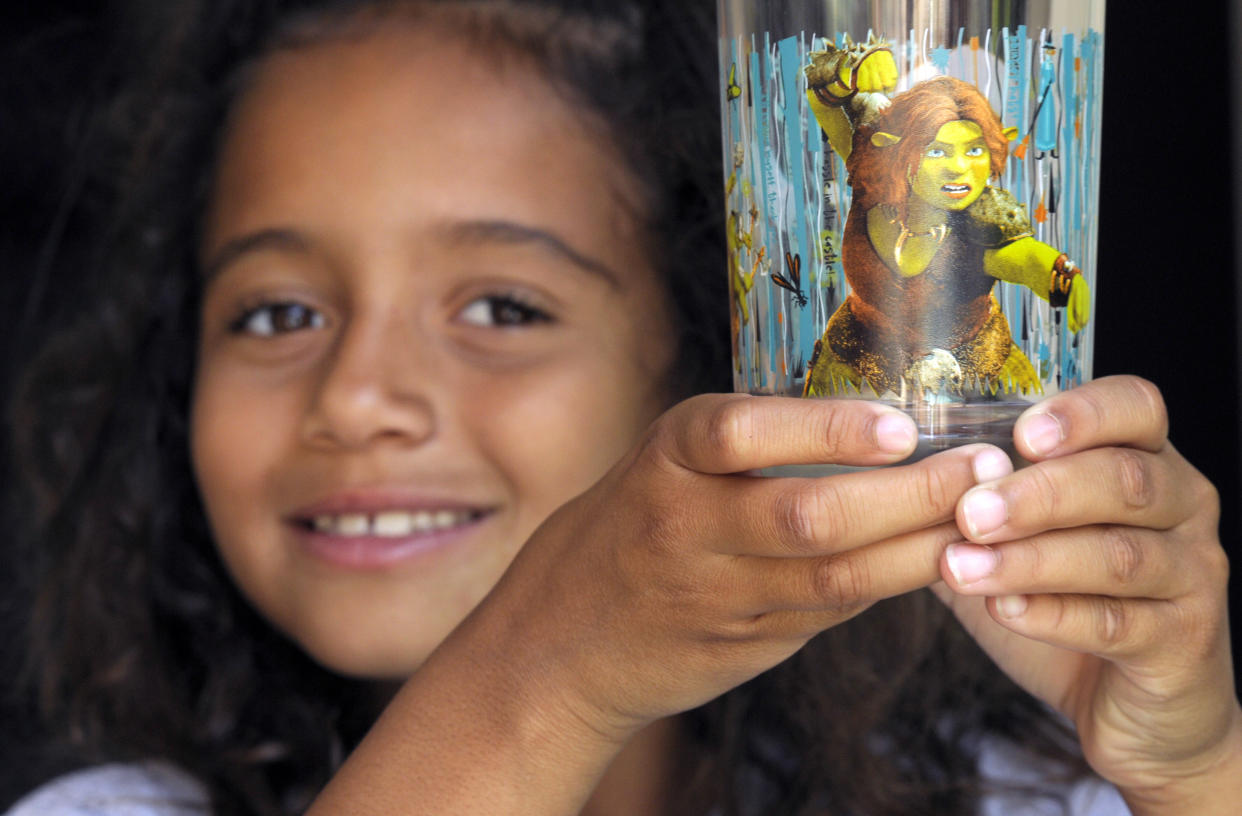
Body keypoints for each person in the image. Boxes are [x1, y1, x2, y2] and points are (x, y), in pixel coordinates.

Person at [2, 1, 1238, 814]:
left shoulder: (1003, 796)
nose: (358, 399)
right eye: (277, 316)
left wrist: (1188, 770)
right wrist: (545, 676)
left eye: (502, 309)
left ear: (702, 359)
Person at [802, 44, 1091, 399]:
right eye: (937, 151)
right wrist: (852, 71)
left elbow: (1024, 257)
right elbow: (823, 101)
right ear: (896, 149)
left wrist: (1063, 277)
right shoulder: (869, 171)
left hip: (976, 391)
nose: (959, 167)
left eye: (974, 150)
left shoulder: (985, 219)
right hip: (854, 371)